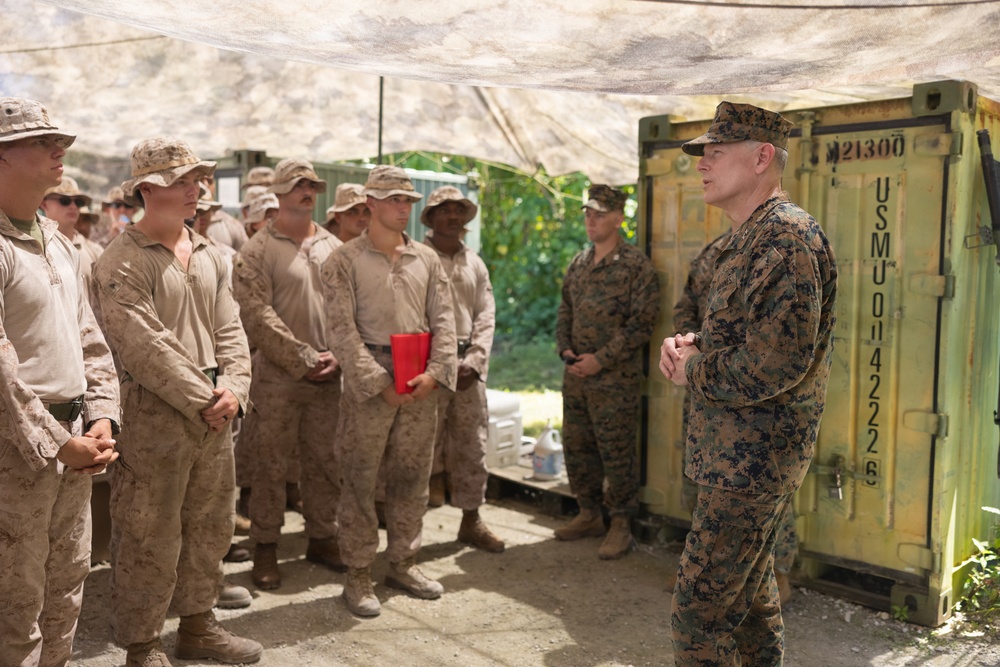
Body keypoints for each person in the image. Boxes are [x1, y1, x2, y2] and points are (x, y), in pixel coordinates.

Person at [659, 102, 837, 666]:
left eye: (715, 153)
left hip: (752, 462)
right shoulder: (749, 238)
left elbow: (775, 364)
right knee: (753, 611)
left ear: (762, 158)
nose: (702, 165)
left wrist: (694, 369)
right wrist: (695, 347)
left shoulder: (785, 239)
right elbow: (747, 341)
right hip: (733, 457)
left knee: (698, 618)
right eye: (701, 155)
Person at [94, 137, 261, 666]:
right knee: (148, 531)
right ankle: (142, 646)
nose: (198, 189)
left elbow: (231, 327)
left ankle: (197, 625)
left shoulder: (209, 251)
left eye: (198, 179)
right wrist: (207, 398)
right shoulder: (122, 260)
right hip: (155, 414)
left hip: (214, 411)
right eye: (183, 181)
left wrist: (234, 388)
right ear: (148, 189)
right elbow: (144, 347)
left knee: (209, 524)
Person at [0, 97, 120, 667]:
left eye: (60, 142)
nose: (59, 151)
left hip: (74, 439)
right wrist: (58, 442)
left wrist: (101, 417)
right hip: (17, 449)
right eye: (40, 142)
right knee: (13, 598)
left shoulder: (55, 239)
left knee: (66, 585)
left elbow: (89, 338)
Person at [322, 165, 457, 618]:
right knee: (360, 478)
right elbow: (341, 329)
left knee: (413, 475)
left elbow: (445, 319)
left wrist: (436, 372)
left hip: (420, 377)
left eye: (408, 201)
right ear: (371, 204)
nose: (404, 207)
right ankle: (358, 572)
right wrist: (379, 382)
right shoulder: (343, 260)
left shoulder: (427, 258)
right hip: (370, 380)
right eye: (394, 199)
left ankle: (403, 561)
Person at [233, 158, 344, 590]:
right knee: (270, 465)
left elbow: (345, 309)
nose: (307, 191)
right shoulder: (258, 250)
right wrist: (303, 357)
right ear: (278, 193)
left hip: (328, 374)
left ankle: (322, 535)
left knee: (324, 460)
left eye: (312, 185)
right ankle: (265, 546)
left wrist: (335, 354)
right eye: (298, 185)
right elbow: (255, 314)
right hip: (278, 377)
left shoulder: (332, 247)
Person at [674, 230, 800, 605]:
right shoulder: (713, 251)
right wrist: (689, 342)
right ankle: (703, 569)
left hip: (750, 397)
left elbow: (774, 341)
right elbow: (686, 304)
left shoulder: (776, 245)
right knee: (700, 478)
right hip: (703, 387)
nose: (704, 169)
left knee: (761, 489)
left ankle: (776, 573)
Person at [554, 184, 660, 560]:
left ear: (619, 217)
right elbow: (565, 309)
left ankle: (620, 524)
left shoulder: (636, 267)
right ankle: (588, 513)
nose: (590, 220)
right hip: (576, 376)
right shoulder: (579, 264)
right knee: (577, 447)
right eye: (587, 213)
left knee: (617, 453)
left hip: (613, 380)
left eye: (599, 213)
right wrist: (565, 349)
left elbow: (642, 324)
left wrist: (601, 359)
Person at [420, 185, 504, 552]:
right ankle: (409, 533)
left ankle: (471, 520)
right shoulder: (417, 258)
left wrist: (475, 359)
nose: (452, 216)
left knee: (472, 444)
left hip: (469, 367)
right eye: (444, 209)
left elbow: (486, 313)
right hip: (428, 367)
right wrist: (439, 363)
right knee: (419, 447)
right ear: (432, 217)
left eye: (458, 210)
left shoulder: (475, 262)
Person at [38, 175, 105, 307]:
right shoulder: (33, 247)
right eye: (65, 200)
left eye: (78, 202)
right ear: (44, 204)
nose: (73, 206)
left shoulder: (95, 252)